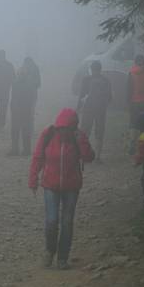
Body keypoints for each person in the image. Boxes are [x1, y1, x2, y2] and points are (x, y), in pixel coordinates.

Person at [29, 108, 95, 270]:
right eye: (62, 128)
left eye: (68, 128)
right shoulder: (48, 134)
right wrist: (33, 178)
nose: (64, 131)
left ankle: (62, 258)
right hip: (50, 185)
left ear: (73, 127)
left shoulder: (78, 137)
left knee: (67, 222)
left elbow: (88, 157)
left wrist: (81, 141)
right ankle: (50, 251)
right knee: (51, 221)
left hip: (71, 186)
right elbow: (38, 156)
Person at [77, 61, 112, 162]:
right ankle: (98, 156)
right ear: (100, 69)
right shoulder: (105, 81)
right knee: (99, 132)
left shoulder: (86, 80)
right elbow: (109, 97)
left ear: (91, 69)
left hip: (88, 108)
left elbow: (81, 96)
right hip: (101, 109)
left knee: (85, 131)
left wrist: (78, 108)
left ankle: (84, 154)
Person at [9, 63, 37, 156]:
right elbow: (13, 97)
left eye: (22, 73)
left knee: (25, 131)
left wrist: (31, 110)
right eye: (19, 73)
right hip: (17, 110)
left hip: (25, 111)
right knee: (15, 131)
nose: (20, 75)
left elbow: (32, 98)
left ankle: (26, 150)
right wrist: (12, 108)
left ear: (25, 74)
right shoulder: (15, 83)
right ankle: (16, 150)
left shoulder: (29, 84)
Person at [0, 50, 15, 128]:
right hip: (3, 90)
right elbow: (13, 78)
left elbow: (13, 78)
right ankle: (0, 124)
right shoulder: (9, 65)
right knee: (1, 107)